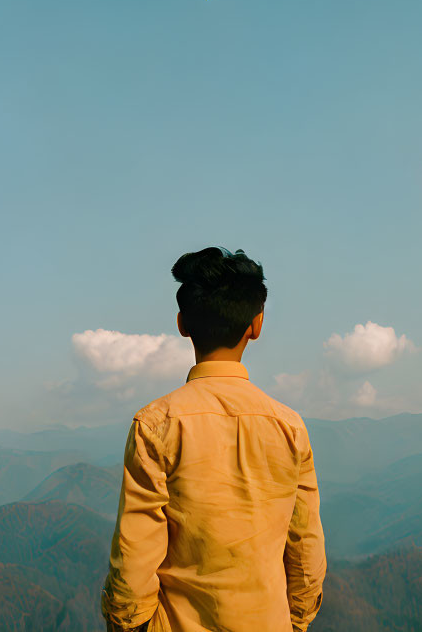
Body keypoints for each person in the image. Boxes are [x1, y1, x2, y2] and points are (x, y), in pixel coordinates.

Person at [100, 246, 327, 632]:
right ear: (256, 325)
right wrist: (295, 621)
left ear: (182, 323)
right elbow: (305, 547)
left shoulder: (155, 424)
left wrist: (127, 623)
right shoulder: (290, 427)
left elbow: (135, 552)